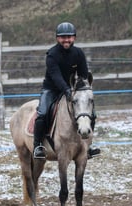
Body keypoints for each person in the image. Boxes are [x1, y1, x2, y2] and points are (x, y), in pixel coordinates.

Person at [33, 21, 101, 159]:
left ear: (74, 37)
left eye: (69, 37)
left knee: (90, 112)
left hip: (71, 89)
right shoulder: (52, 55)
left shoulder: (79, 53)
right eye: (63, 37)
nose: (66, 40)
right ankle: (38, 146)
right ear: (58, 38)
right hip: (51, 89)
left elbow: (83, 75)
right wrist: (67, 90)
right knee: (42, 113)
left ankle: (88, 145)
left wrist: (82, 90)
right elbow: (56, 76)